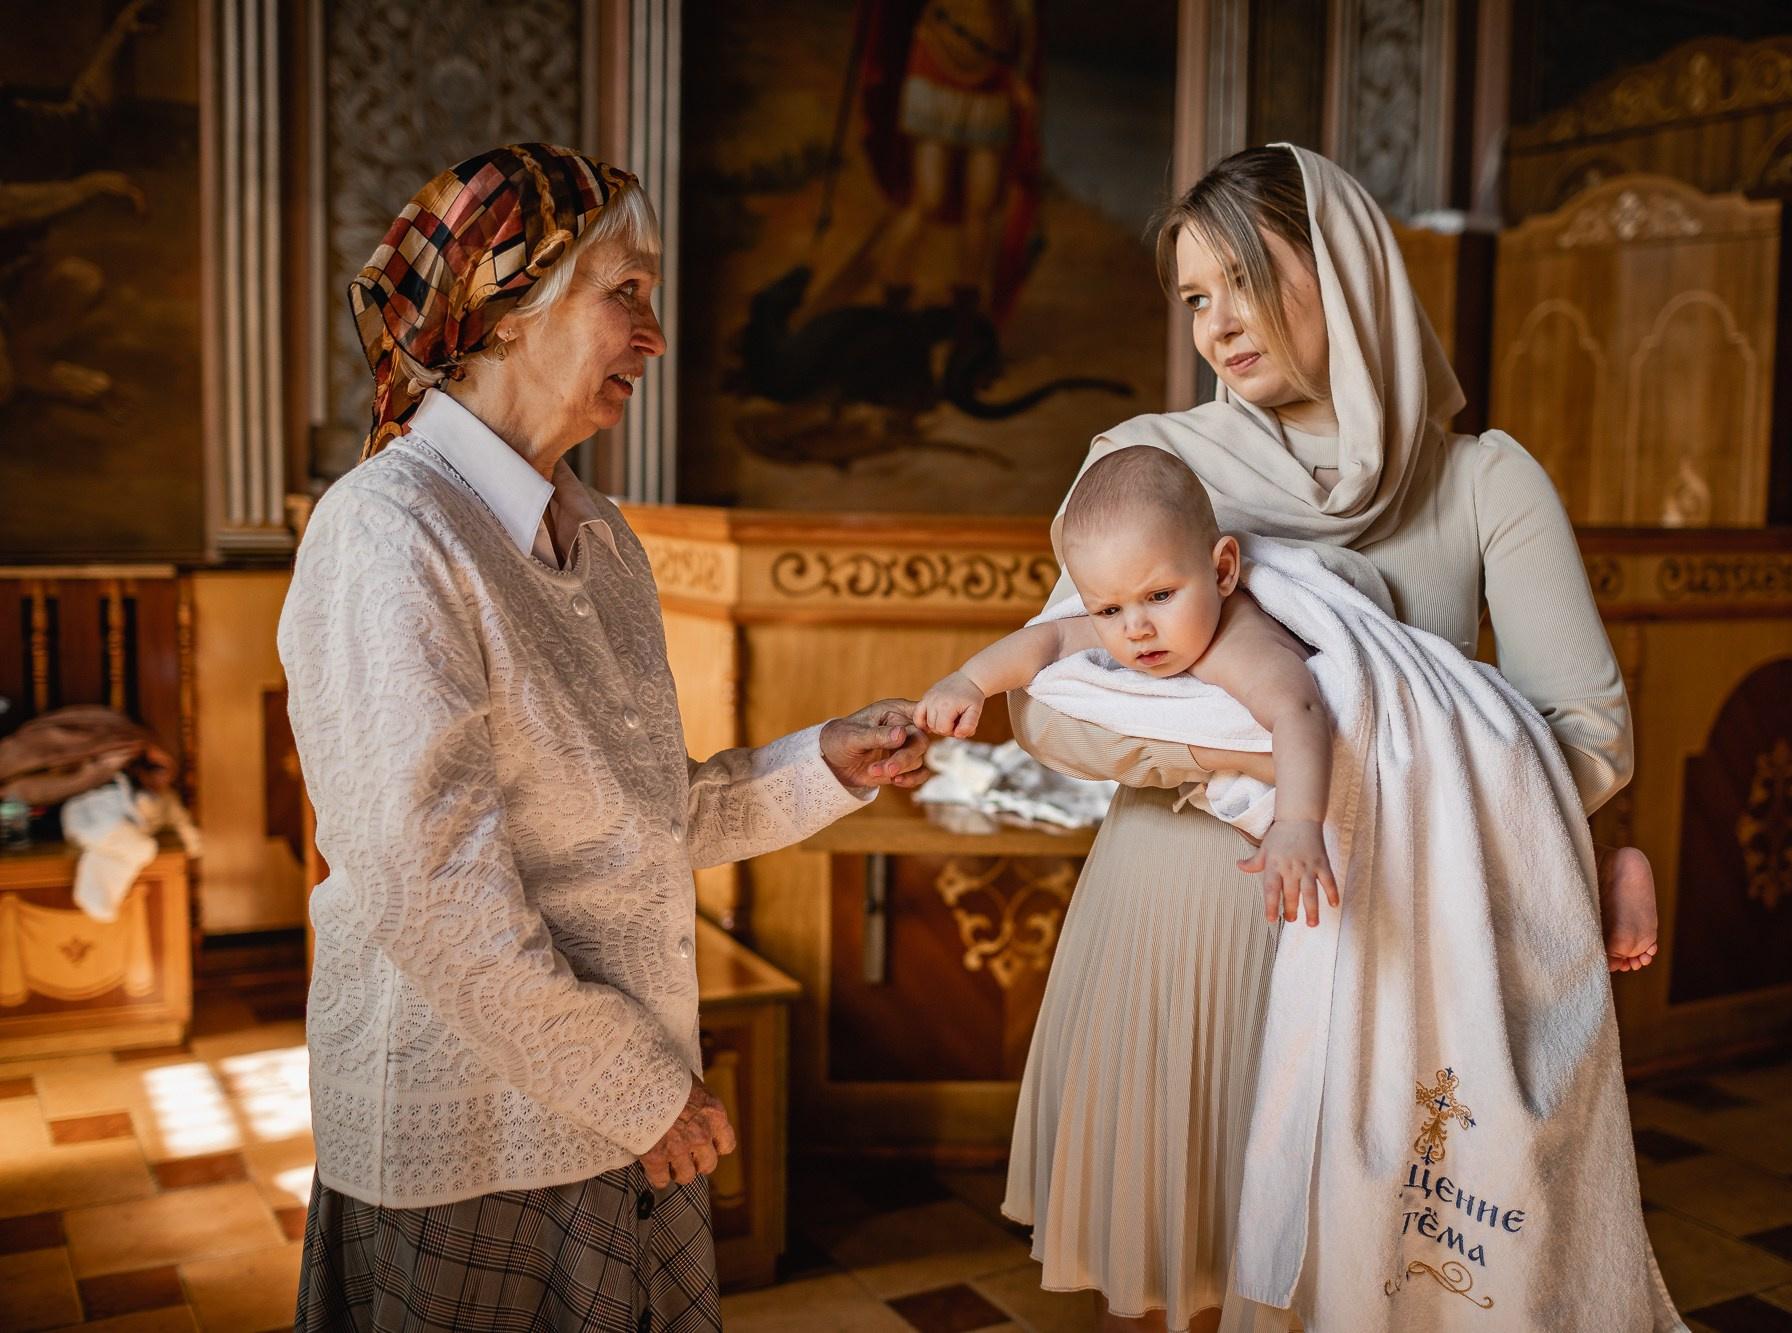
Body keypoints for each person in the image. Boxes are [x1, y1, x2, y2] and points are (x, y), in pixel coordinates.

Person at [1000, 143, 1663, 1333]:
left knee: (1379, 1288)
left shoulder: (1483, 484)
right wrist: (1242, 764)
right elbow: (1049, 700)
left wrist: (1573, 836)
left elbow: (1583, 732)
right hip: (1184, 922)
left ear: (1348, 272)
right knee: (1210, 1274)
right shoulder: (1151, 465)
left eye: (1245, 280)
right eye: (1195, 297)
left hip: (1402, 939)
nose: (1216, 323)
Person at [280, 143, 929, 1333]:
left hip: (619, 1113)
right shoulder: (389, 535)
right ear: (504, 302)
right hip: (481, 1133)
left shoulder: (602, 537)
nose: (655, 334)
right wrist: (640, 1093)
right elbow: (433, 888)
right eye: (623, 292)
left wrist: (818, 762)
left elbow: (646, 814)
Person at [914, 447, 1338, 927]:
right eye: (1108, 610)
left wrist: (1300, 823)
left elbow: (1299, 713)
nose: (1136, 628)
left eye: (1160, 596)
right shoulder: (1139, 615)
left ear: (1222, 571)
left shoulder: (1241, 646)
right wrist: (969, 681)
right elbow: (1049, 640)